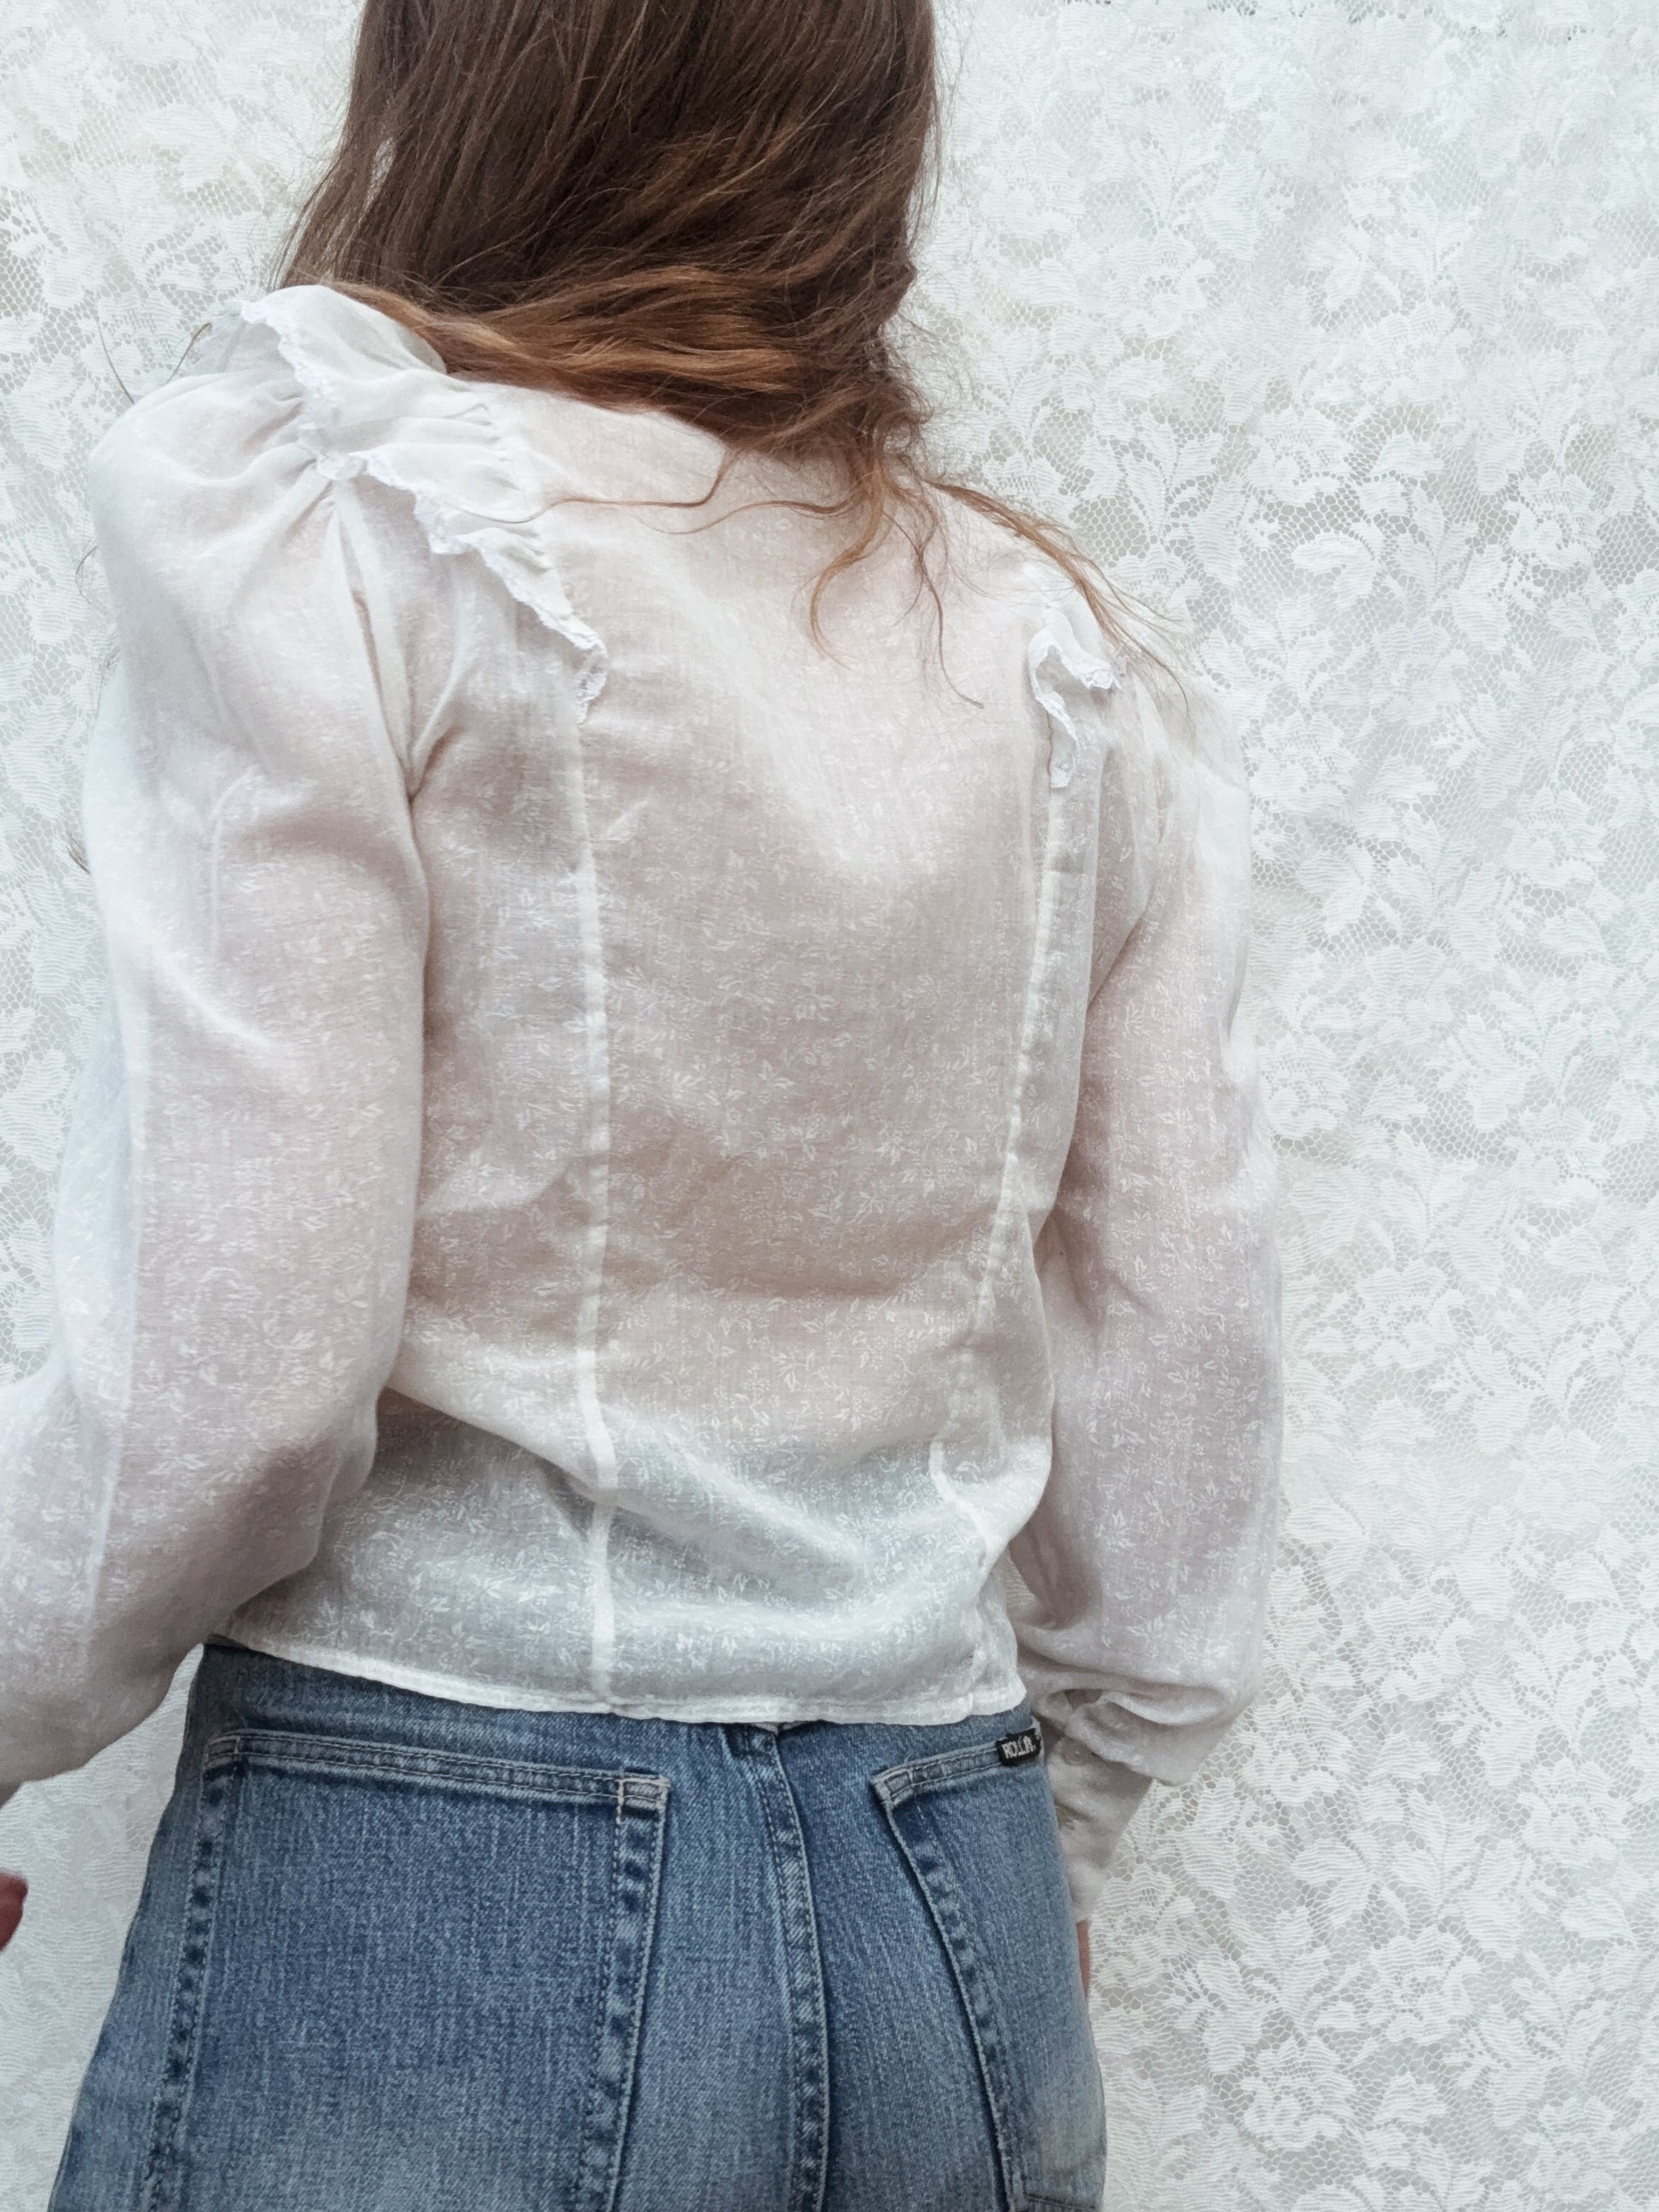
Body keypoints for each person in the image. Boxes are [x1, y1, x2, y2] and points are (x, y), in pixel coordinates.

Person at [0, 0, 1285, 2204]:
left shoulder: (359, 533)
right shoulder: (1056, 659)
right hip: (948, 1892)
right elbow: (1182, 1364)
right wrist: (1044, 1830)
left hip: (437, 1874)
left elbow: (233, 1389)